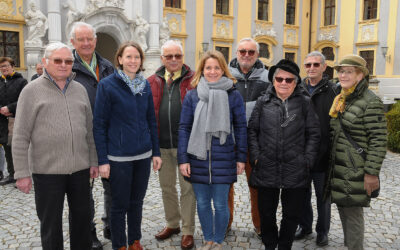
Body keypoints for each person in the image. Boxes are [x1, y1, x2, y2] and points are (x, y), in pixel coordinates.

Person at [13, 42, 98, 250]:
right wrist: (21, 173)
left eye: (68, 61)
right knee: (51, 226)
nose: (63, 65)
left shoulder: (80, 90)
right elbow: (20, 135)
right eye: (57, 60)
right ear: (45, 62)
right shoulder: (31, 91)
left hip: (80, 170)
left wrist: (93, 161)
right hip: (47, 172)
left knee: (82, 223)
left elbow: (89, 130)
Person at [93, 41, 162, 250]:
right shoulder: (107, 85)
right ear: (120, 60)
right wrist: (103, 160)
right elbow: (99, 125)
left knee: (136, 203)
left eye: (137, 57)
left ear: (141, 61)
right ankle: (119, 244)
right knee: (118, 205)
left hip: (142, 155)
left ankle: (135, 241)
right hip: (118, 157)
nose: (133, 61)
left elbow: (151, 119)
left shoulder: (145, 85)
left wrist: (156, 152)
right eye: (128, 57)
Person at [247, 59, 320, 250]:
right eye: (279, 79)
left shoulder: (304, 103)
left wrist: (307, 160)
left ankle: (285, 246)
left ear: (295, 82)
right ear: (273, 80)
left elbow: (314, 133)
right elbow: (252, 130)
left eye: (289, 80)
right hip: (266, 167)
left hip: (295, 168)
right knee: (267, 214)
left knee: (291, 215)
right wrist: (256, 156)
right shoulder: (263, 102)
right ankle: (270, 245)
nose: (284, 83)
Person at [178, 50, 247, 250]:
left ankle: (217, 240)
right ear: (202, 70)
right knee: (202, 203)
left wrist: (241, 158)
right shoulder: (192, 96)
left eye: (217, 67)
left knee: (220, 204)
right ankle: (208, 238)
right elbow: (184, 127)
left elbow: (241, 128)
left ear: (223, 70)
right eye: (208, 67)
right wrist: (183, 159)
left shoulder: (233, 95)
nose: (213, 71)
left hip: (224, 157)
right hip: (197, 157)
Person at [326, 54, 386, 250]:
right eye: (341, 71)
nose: (343, 75)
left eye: (349, 71)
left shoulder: (370, 101)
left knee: (352, 215)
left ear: (360, 75)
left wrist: (371, 173)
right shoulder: (342, 98)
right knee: (344, 210)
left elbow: (378, 141)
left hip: (356, 169)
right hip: (340, 167)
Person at [148, 40, 196, 250]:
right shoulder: (151, 81)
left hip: (186, 146)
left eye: (178, 55)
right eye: (169, 56)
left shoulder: (195, 79)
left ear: (182, 57)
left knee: (188, 189)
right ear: (162, 58)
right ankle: (172, 224)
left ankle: (187, 230)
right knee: (166, 187)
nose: (174, 60)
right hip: (162, 146)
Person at [70, 21, 115, 248]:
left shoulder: (108, 67)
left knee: (111, 184)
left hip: (107, 136)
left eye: (90, 39)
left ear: (95, 41)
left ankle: (111, 224)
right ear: (73, 42)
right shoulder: (67, 67)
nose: (87, 43)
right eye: (82, 39)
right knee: (83, 189)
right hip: (80, 137)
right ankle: (89, 232)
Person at [228, 37, 270, 236]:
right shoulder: (225, 76)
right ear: (236, 53)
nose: (246, 55)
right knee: (225, 186)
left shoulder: (268, 77)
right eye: (242, 51)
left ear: (257, 55)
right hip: (230, 141)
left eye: (251, 52)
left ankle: (260, 225)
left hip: (256, 142)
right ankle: (224, 223)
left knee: (257, 186)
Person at [294, 51, 335, 246]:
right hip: (301, 153)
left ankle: (322, 231)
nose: (311, 68)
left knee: (323, 196)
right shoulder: (298, 88)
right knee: (302, 194)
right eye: (308, 64)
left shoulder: (333, 90)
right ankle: (305, 226)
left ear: (324, 67)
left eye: (315, 65)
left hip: (323, 153)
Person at [0, 57, 27, 186]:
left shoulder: (21, 81)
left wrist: (9, 108)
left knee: (17, 148)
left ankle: (21, 175)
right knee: (6, 147)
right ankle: (11, 174)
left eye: (6, 66)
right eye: (1, 67)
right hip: (2, 121)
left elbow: (25, 99)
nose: (3, 69)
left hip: (16, 119)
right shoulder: (0, 82)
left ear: (12, 66)